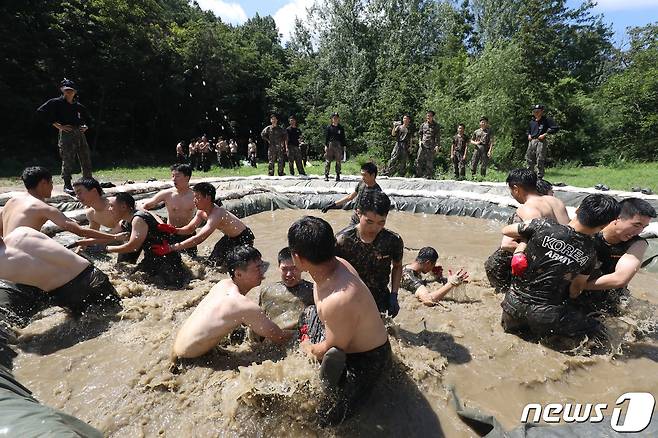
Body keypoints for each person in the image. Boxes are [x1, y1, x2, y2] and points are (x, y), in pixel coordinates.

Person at [288, 216, 391, 427]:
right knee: (307, 313)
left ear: (297, 258)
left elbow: (331, 348)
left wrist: (307, 346)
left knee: (326, 421)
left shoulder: (338, 298)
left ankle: (330, 384)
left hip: (369, 360)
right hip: (344, 328)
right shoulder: (337, 264)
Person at [500, 194, 620, 339]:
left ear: (577, 210)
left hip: (511, 306)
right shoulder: (590, 252)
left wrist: (525, 242)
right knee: (601, 333)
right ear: (604, 226)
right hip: (546, 316)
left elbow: (506, 230)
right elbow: (575, 290)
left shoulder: (542, 225)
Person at [171, 245, 291, 359]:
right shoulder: (243, 305)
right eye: (257, 268)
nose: (263, 270)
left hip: (177, 351)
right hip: (192, 359)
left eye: (262, 265)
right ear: (238, 274)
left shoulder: (222, 284)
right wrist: (300, 334)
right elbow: (279, 337)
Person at [0, 227, 121, 319]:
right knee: (122, 314)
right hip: (92, 275)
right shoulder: (22, 231)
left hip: (68, 293)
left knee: (94, 324)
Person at [485, 169, 570, 294]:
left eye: (511, 191)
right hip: (564, 260)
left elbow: (507, 244)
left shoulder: (526, 209)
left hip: (537, 264)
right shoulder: (556, 202)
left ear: (516, 188)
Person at [78, 192, 189, 287]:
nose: (109, 209)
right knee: (126, 275)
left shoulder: (138, 219)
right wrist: (81, 244)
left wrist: (107, 249)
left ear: (123, 207)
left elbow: (133, 246)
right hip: (151, 256)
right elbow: (107, 237)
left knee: (169, 286)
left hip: (166, 259)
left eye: (111, 206)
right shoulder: (125, 221)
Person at [576, 198, 657, 314]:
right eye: (636, 225)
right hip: (576, 292)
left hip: (610, 299)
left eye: (643, 227)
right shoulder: (591, 233)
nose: (639, 231)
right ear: (617, 218)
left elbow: (620, 279)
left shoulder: (638, 244)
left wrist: (578, 286)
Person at [149, 182, 255, 269]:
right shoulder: (201, 211)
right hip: (229, 237)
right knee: (212, 264)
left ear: (207, 198)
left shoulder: (217, 213)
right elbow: (190, 229)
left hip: (244, 238)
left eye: (197, 197)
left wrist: (171, 248)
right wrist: (174, 230)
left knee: (235, 266)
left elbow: (199, 238)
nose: (194, 200)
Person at [0, 167, 119, 243]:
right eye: (51, 183)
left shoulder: (11, 201)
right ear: (43, 183)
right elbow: (80, 231)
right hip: (21, 256)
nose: (52, 187)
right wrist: (114, 237)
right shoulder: (44, 208)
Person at [335, 191, 403, 317]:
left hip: (380, 298)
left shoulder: (393, 240)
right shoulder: (343, 240)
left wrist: (394, 294)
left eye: (381, 222)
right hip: (350, 298)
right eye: (369, 222)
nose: (375, 228)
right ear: (358, 212)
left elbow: (398, 266)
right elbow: (330, 270)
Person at [36, 79, 93, 195]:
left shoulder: (78, 105)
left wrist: (86, 126)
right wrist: (57, 125)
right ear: (62, 90)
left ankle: (88, 182)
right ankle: (67, 184)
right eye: (66, 90)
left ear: (75, 91)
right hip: (67, 133)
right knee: (68, 159)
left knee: (85, 157)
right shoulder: (56, 102)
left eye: (71, 90)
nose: (69, 92)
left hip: (80, 133)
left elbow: (89, 118)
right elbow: (41, 111)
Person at [141, 164, 197, 256]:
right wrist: (157, 220)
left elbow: (206, 211)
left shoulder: (195, 195)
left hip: (188, 233)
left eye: (177, 176)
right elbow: (145, 207)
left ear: (187, 177)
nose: (173, 179)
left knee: (192, 261)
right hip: (170, 233)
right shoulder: (166, 194)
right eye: (172, 176)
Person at [258, 247, 314, 330]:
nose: (288, 274)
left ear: (301, 267)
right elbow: (260, 320)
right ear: (278, 268)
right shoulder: (267, 291)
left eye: (293, 268)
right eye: (284, 269)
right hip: (273, 337)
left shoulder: (312, 291)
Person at [401, 247, 469, 305]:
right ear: (428, 263)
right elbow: (428, 300)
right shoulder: (410, 279)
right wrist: (451, 283)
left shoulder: (406, 267)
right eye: (433, 265)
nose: (433, 268)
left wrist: (435, 275)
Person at [526, 104, 558, 179]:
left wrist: (545, 134)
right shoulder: (532, 121)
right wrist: (529, 135)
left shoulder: (546, 120)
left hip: (540, 141)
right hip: (532, 141)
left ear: (542, 111)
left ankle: (539, 177)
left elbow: (555, 128)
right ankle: (530, 176)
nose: (536, 113)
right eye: (534, 111)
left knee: (540, 159)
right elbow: (528, 130)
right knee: (529, 159)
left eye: (538, 111)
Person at [416, 110, 440, 179]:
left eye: (430, 116)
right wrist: (420, 141)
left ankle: (428, 176)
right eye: (427, 115)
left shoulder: (436, 126)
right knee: (419, 160)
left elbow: (437, 136)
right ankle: (418, 175)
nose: (428, 117)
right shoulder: (423, 125)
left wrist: (437, 145)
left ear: (432, 117)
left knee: (429, 161)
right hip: (423, 145)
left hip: (431, 146)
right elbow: (420, 134)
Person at [324, 113, 347, 182]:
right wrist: (326, 146)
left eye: (336, 118)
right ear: (332, 119)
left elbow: (343, 138)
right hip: (330, 145)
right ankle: (326, 175)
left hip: (338, 145)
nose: (335, 119)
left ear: (338, 119)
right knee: (328, 161)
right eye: (334, 118)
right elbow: (326, 138)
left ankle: (338, 175)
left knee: (338, 161)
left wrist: (344, 146)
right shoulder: (329, 127)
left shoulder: (341, 128)